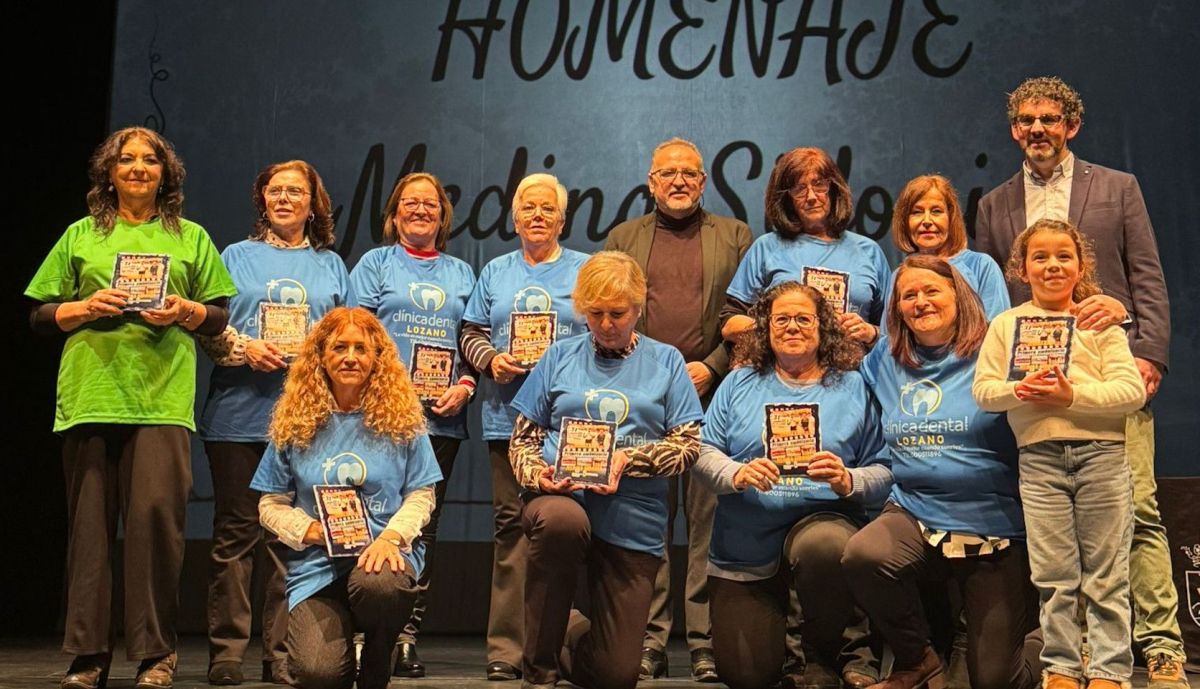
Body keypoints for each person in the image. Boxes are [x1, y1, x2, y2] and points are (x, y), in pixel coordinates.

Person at [974, 76, 1187, 688]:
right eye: (1027, 120)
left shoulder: (1118, 187)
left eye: (1050, 118)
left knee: (1138, 513)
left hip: (1109, 369)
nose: (1038, 128)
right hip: (1038, 400)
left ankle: (1161, 646)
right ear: (1014, 129)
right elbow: (994, 295)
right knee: (1060, 550)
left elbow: (1146, 275)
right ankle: (1076, 657)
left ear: (1072, 125)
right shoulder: (994, 204)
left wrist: (1148, 352)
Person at [25, 126, 236, 689]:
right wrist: (86, 307)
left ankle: (156, 654)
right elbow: (40, 315)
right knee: (89, 533)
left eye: (150, 160)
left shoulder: (190, 237)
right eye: (126, 159)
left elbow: (219, 315)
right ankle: (87, 655)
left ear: (166, 174)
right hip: (91, 396)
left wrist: (184, 311)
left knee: (155, 528)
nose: (138, 167)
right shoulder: (81, 234)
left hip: (160, 400)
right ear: (109, 173)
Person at [507, 251, 704, 689]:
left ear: (638, 308)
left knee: (617, 675)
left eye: (617, 313)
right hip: (562, 499)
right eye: (595, 313)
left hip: (633, 516)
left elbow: (688, 446)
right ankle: (538, 672)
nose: (606, 324)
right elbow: (522, 441)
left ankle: (566, 629)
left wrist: (627, 460)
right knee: (561, 522)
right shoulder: (558, 356)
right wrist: (539, 476)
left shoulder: (668, 361)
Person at [843, 255, 1041, 689]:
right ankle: (917, 659)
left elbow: (1054, 337)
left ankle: (1055, 645)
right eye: (908, 295)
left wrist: (1103, 311)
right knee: (863, 555)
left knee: (994, 682)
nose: (920, 302)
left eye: (932, 290)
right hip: (916, 512)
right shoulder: (884, 359)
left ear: (959, 296)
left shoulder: (998, 347)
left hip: (994, 525)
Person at [196, 160, 350, 685]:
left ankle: (280, 655)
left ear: (313, 203)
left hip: (306, 420)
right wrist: (245, 349)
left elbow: (347, 342)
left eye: (295, 191)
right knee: (236, 535)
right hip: (237, 415)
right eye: (275, 191)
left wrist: (315, 358)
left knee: (291, 540)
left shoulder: (331, 266)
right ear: (262, 200)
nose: (284, 199)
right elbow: (208, 327)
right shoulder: (233, 256)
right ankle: (226, 653)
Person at [973, 220, 1146, 689]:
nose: (1053, 265)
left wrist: (1072, 396)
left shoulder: (1098, 321)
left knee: (1107, 573)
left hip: (1102, 456)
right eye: (1041, 257)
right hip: (1039, 460)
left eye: (1064, 256)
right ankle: (1062, 667)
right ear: (1022, 269)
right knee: (1054, 574)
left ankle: (1110, 670)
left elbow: (1131, 392)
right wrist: (1020, 389)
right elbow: (984, 391)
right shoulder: (1007, 325)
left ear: (1081, 266)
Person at [604, 137, 751, 682]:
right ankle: (650, 640)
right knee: (648, 522)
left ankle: (705, 642)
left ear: (704, 181)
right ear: (651, 181)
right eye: (668, 173)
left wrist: (712, 366)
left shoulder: (735, 236)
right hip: (643, 400)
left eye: (689, 173)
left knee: (709, 524)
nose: (679, 181)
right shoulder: (623, 238)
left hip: (711, 396)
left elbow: (746, 315)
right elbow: (609, 314)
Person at [693, 281, 886, 689]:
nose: (792, 327)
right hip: (746, 543)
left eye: (803, 318)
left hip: (823, 526)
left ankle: (819, 654)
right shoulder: (738, 382)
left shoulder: (853, 385)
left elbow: (884, 469)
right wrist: (736, 473)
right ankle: (785, 645)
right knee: (746, 676)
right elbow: (704, 452)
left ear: (822, 326)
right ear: (765, 327)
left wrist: (848, 479)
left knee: (823, 546)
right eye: (781, 319)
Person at [250, 307, 443, 689]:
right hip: (317, 566)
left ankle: (379, 651)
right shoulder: (295, 420)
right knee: (318, 674)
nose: (350, 357)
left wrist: (391, 538)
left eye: (361, 348)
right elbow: (270, 505)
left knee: (381, 587)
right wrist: (310, 531)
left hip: (383, 559)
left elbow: (422, 495)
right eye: (339, 347)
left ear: (376, 358)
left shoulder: (403, 419)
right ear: (321, 356)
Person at [460, 173, 591, 681]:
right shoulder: (495, 271)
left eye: (547, 208)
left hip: (572, 426)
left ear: (562, 219)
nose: (538, 215)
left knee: (568, 531)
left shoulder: (584, 270)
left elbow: (606, 330)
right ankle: (506, 649)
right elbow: (470, 331)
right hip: (507, 419)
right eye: (528, 208)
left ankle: (566, 645)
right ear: (515, 218)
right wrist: (491, 360)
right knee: (512, 529)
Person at [349, 171, 477, 678]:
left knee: (423, 527)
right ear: (394, 213)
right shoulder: (375, 264)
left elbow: (473, 339)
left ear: (443, 215)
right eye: (410, 202)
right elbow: (354, 335)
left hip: (440, 421)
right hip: (377, 417)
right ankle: (362, 633)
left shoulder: (462, 273)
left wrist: (465, 384)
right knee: (367, 518)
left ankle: (404, 636)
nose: (420, 210)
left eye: (430, 204)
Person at [722, 147, 888, 348]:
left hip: (854, 366)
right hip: (782, 365)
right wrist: (779, 328)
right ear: (786, 199)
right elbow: (730, 324)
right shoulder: (767, 248)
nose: (811, 196)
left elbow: (896, 333)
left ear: (834, 188)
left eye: (819, 185)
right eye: (799, 189)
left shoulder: (869, 252)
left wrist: (871, 333)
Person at [886, 175, 1009, 319]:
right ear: (904, 222)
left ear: (951, 218)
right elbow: (890, 330)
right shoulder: (899, 275)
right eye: (917, 212)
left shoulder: (981, 266)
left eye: (936, 211)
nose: (927, 221)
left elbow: (997, 328)